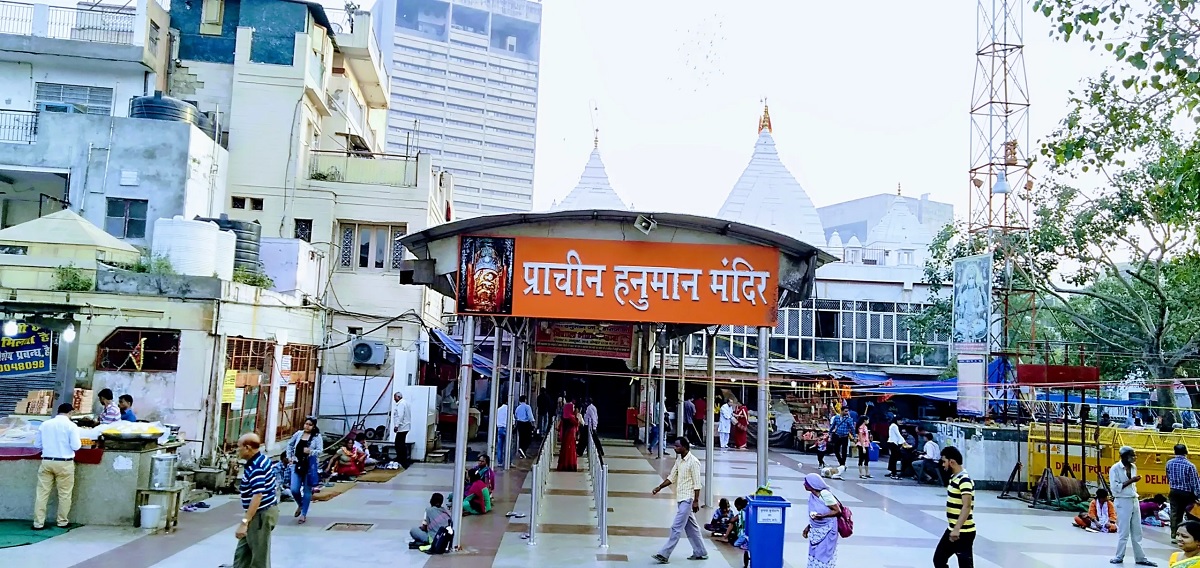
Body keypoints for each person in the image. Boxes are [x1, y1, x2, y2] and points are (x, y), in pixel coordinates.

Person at [224, 433, 278, 568]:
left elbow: (258, 495)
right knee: (242, 556)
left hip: (261, 515)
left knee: (259, 559)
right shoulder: (260, 459)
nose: (237, 450)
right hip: (257, 514)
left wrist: (244, 522)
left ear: (247, 448)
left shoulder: (257, 467)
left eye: (238, 447)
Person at [650, 438, 708, 564]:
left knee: (676, 527)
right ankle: (701, 552)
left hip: (688, 499)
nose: (674, 448)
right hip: (681, 498)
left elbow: (697, 484)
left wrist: (696, 501)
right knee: (692, 528)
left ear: (685, 447)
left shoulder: (694, 462)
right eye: (674, 446)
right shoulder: (679, 460)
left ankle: (664, 554)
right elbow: (671, 477)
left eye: (677, 446)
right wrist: (659, 487)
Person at [32, 403, 81, 530]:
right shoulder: (72, 426)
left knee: (42, 494)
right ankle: (62, 521)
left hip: (47, 461)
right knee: (64, 494)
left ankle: (38, 523)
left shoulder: (45, 424)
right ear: (70, 413)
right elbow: (76, 446)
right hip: (65, 463)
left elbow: (37, 444)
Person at [1111, 446, 1158, 566]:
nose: (1134, 458)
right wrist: (1132, 480)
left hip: (1133, 499)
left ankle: (1140, 558)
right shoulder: (1115, 469)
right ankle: (1119, 556)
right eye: (1132, 455)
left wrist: (1133, 481)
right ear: (1125, 457)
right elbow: (1115, 489)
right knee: (1124, 532)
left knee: (1137, 531)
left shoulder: (1133, 467)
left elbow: (1132, 487)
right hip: (1122, 501)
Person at [933, 446, 974, 568]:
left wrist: (957, 528)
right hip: (952, 529)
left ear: (952, 462)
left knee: (965, 565)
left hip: (963, 532)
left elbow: (966, 506)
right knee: (939, 559)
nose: (943, 465)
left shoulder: (964, 480)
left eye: (944, 462)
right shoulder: (953, 478)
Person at [285, 417, 322, 524]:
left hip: (309, 466)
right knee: (294, 489)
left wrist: (310, 451)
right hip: (297, 464)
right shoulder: (298, 434)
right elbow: (290, 444)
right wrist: (289, 457)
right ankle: (300, 504)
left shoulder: (316, 437)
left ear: (314, 426)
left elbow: (320, 451)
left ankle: (303, 514)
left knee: (307, 490)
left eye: (310, 424)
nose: (307, 426)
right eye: (306, 424)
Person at [803, 473, 843, 568]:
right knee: (815, 553)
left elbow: (837, 511)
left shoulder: (825, 494)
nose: (804, 484)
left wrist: (823, 516)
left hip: (828, 530)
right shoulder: (812, 496)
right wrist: (808, 527)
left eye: (806, 483)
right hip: (816, 530)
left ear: (812, 484)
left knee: (823, 553)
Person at [1169, 444, 1200, 539]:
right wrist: (1198, 495)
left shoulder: (1169, 463)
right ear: (1186, 452)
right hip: (1187, 493)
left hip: (1174, 492)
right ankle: (1190, 535)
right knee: (1190, 514)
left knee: (1175, 514)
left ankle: (1174, 535)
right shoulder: (1190, 465)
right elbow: (1195, 482)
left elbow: (1168, 477)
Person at [391, 392, 412, 469]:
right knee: (401, 443)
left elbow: (400, 415)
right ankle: (402, 459)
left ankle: (401, 459)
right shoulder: (405, 403)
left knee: (398, 444)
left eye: (395, 397)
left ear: (399, 397)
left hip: (402, 427)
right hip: (405, 426)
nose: (394, 399)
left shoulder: (401, 404)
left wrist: (396, 426)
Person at [557, 400, 579, 472]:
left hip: (565, 436)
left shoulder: (564, 417)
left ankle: (564, 465)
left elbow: (558, 427)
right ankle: (570, 465)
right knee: (571, 451)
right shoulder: (571, 417)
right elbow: (577, 423)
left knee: (565, 451)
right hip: (570, 436)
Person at [515, 395, 535, 459]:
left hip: (519, 423)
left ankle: (522, 453)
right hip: (526, 424)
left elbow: (516, 415)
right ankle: (523, 449)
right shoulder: (527, 407)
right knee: (529, 439)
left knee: (521, 438)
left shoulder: (518, 408)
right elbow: (530, 416)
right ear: (525, 400)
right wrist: (533, 424)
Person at [494, 401, 509, 467]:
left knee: (500, 446)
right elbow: (513, 419)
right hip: (507, 428)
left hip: (499, 428)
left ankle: (500, 462)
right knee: (508, 446)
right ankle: (508, 461)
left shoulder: (498, 409)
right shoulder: (509, 409)